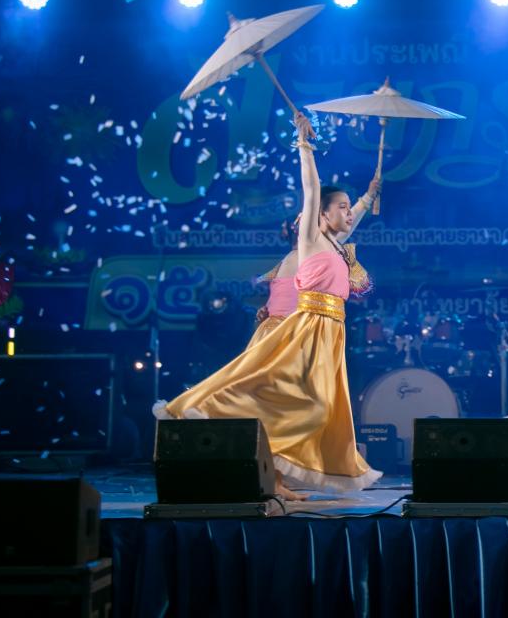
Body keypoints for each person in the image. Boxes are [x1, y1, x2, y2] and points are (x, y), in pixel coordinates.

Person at [155, 113, 380, 499]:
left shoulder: (337, 246)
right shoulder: (310, 240)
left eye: (348, 207)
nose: (347, 212)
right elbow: (312, 188)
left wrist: (369, 195)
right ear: (322, 215)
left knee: (318, 409)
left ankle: (275, 477)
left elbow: (353, 218)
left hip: (331, 333)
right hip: (306, 328)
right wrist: (305, 145)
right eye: (341, 207)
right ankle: (227, 434)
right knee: (294, 404)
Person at [249, 174, 380, 348]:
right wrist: (265, 316)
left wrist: (368, 197)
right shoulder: (300, 256)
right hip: (284, 337)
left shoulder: (310, 254)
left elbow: (343, 227)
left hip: (294, 336)